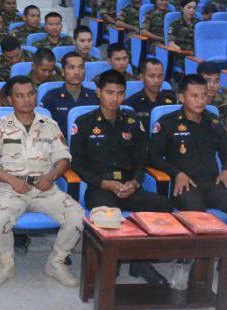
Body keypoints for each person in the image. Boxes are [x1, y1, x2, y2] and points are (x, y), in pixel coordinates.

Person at [0, 75, 83, 288]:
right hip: (11, 188)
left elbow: (63, 158)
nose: (27, 100)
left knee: (77, 216)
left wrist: (51, 176)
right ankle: (6, 264)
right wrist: (12, 180)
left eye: (31, 94)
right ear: (10, 99)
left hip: (45, 187)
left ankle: (56, 262)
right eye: (20, 96)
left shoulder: (49, 125)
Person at [69, 69, 172, 285]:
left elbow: (141, 160)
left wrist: (135, 182)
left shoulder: (132, 121)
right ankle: (111, 263)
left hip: (128, 186)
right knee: (110, 216)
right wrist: (104, 184)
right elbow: (77, 164)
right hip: (100, 188)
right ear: (98, 92)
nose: (115, 98)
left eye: (120, 93)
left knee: (163, 206)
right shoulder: (84, 122)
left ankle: (141, 261)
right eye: (109, 92)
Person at [150, 74, 227, 284]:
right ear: (182, 97)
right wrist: (176, 173)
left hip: (213, 182)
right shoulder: (168, 123)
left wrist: (226, 170)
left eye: (204, 96)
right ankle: (196, 262)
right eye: (194, 96)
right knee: (197, 212)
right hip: (184, 185)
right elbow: (152, 156)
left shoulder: (213, 122)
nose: (200, 101)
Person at [40, 52, 99, 132]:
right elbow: (42, 126)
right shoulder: (51, 97)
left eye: (81, 67)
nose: (77, 72)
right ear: (63, 72)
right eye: (71, 68)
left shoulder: (95, 96)